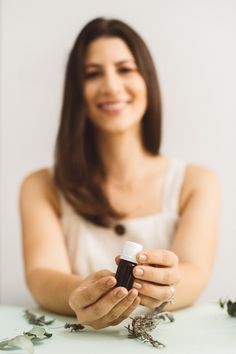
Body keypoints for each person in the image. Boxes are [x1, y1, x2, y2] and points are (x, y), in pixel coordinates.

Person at [20, 17, 221, 330]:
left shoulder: (196, 183)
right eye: (92, 74)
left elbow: (194, 273)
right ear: (77, 91)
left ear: (147, 81)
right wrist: (82, 294)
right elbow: (41, 275)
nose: (112, 86)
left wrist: (165, 286)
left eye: (125, 69)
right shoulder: (41, 186)